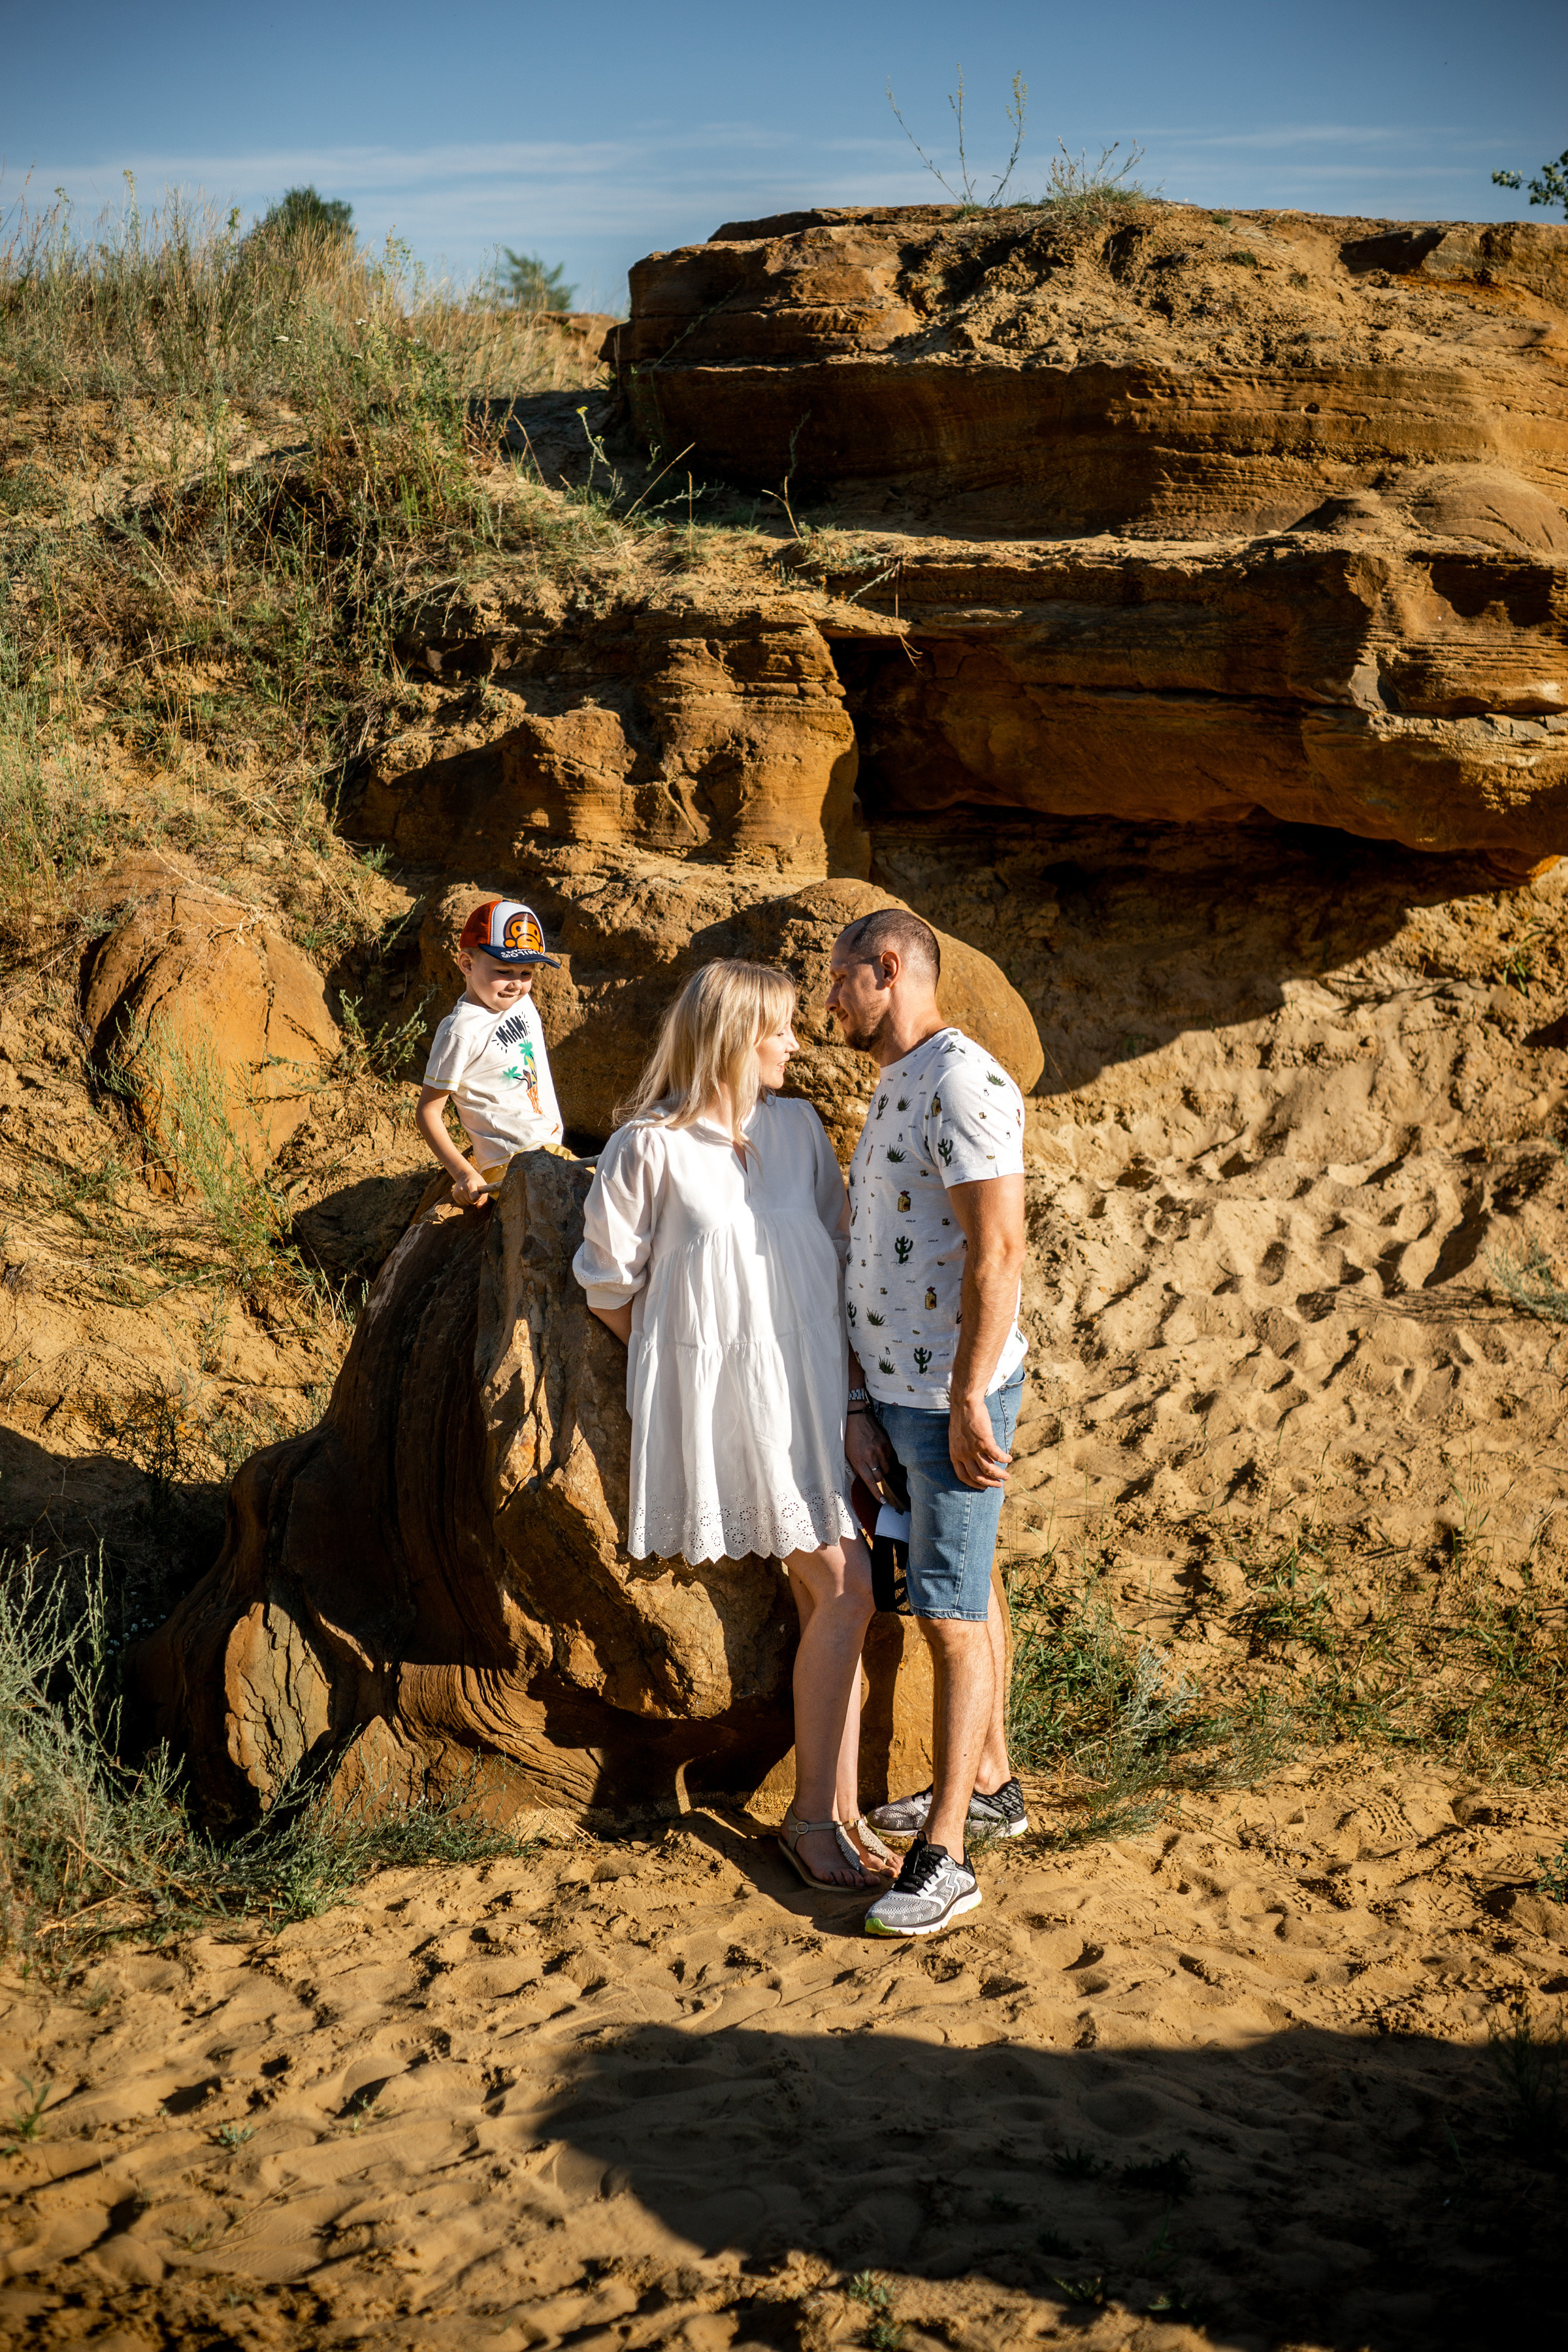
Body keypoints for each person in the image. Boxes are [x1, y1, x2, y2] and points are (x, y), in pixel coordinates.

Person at [572, 960, 894, 1895]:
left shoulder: (797, 1132)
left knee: (836, 1594)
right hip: (728, 1406)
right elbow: (606, 1283)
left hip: (815, 1397)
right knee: (844, 1586)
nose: (798, 1042)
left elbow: (837, 1259)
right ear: (732, 1036)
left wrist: (849, 1403)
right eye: (781, 1029)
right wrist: (692, 1370)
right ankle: (812, 1821)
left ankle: (831, 1817)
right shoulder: (648, 1147)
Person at [827, 907, 1030, 1939]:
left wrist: (964, 1400)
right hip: (903, 1397)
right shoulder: (898, 1080)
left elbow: (998, 1253)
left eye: (840, 979)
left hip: (951, 1398)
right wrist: (865, 1398)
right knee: (973, 1583)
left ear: (889, 968)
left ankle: (945, 1855)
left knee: (947, 1615)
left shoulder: (963, 1080)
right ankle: (991, 1784)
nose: (830, 1002)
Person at [416, 899, 565, 1205]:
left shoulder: (521, 1002)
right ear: (467, 964)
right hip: (510, 1162)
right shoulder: (459, 1031)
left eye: (527, 974)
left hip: (549, 1147)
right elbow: (428, 1112)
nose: (516, 984)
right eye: (504, 970)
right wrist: (463, 1173)